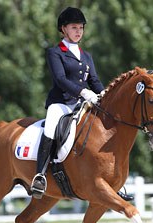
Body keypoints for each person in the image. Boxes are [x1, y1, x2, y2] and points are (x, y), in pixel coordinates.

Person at [31, 7, 133, 202]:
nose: (78, 31)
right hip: (61, 103)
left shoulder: (86, 56)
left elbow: (94, 80)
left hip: (83, 104)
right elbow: (60, 79)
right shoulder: (55, 52)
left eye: (81, 28)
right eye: (74, 27)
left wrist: (104, 95)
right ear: (64, 29)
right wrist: (83, 92)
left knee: (107, 130)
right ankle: (40, 175)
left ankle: (114, 181)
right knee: (51, 127)